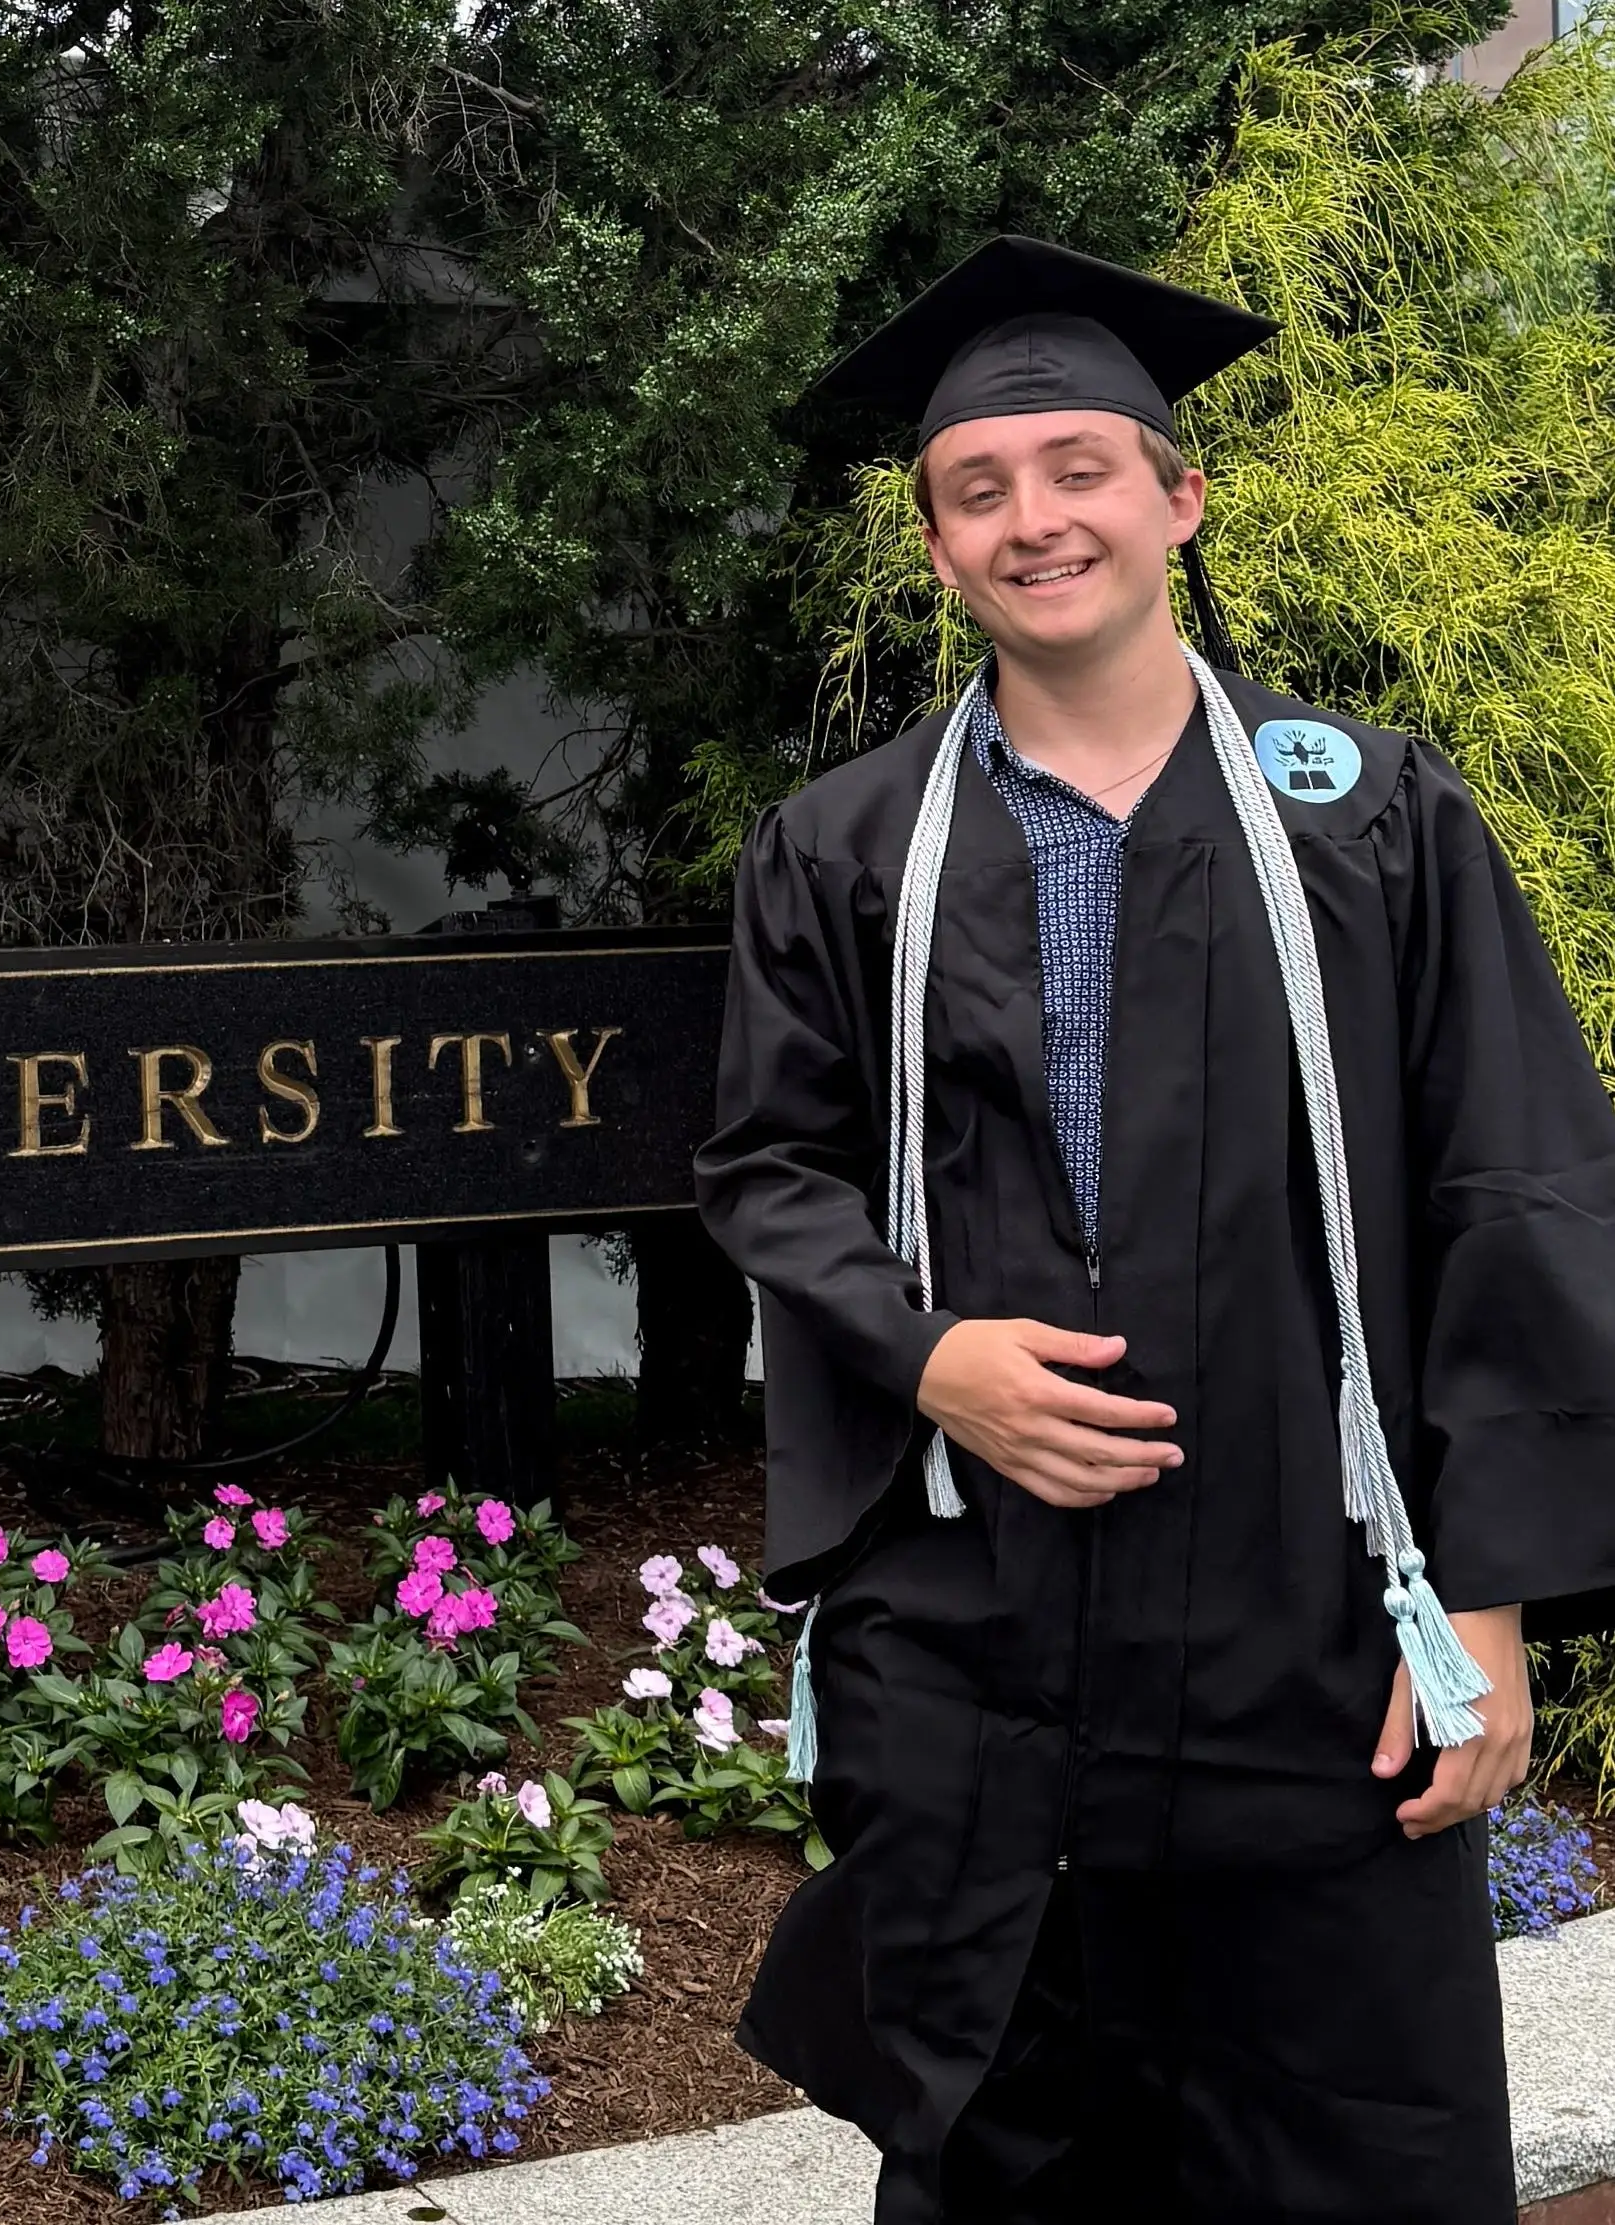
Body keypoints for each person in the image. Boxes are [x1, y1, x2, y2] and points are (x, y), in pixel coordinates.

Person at [692, 234, 1615, 2223]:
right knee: (1011, 2155)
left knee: (1346, 2151)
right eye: (978, 487)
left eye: (1078, 466)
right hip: (977, 1645)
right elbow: (768, 1164)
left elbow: (1513, 1190)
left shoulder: (1368, 815)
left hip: (1312, 1626)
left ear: (1176, 496)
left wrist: (1483, 1599)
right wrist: (927, 1351)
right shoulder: (845, 850)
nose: (1035, 519)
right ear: (936, 542)